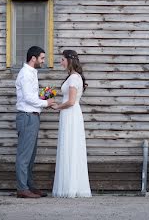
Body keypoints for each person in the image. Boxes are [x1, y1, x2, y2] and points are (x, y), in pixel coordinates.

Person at [15, 45, 55, 199]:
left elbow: (32, 96)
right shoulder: (26, 74)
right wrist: (46, 103)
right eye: (42, 58)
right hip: (27, 117)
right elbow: (28, 98)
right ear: (33, 58)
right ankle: (22, 189)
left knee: (31, 155)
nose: (43, 61)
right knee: (24, 155)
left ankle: (29, 186)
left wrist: (43, 98)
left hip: (33, 116)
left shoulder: (32, 73)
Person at [51, 49, 92, 198]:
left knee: (70, 147)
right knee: (68, 147)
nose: (60, 62)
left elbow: (71, 101)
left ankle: (70, 187)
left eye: (62, 59)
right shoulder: (72, 77)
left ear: (69, 60)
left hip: (71, 114)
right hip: (69, 114)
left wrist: (57, 106)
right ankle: (69, 184)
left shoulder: (74, 78)